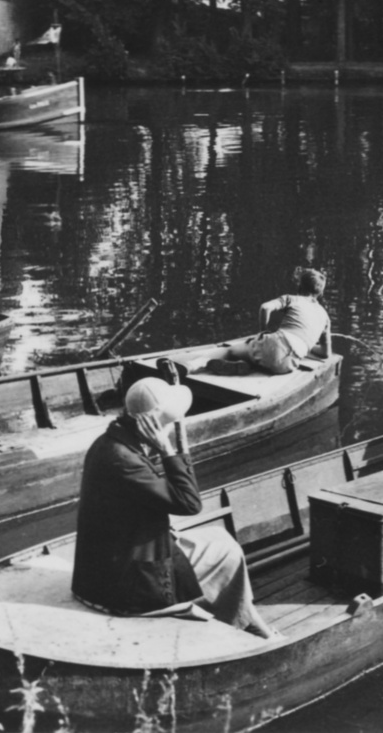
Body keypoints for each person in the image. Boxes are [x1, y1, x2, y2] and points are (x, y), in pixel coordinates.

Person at [71, 376, 276, 638]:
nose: (168, 427)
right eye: (166, 423)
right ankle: (243, 623)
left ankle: (245, 616)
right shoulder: (124, 460)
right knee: (229, 551)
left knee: (218, 537)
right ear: (154, 425)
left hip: (106, 568)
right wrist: (168, 450)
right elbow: (190, 503)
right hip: (126, 586)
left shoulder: (109, 442)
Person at [221, 267, 330, 375]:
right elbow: (325, 353)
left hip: (275, 343)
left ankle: (247, 362)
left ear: (300, 286)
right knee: (271, 360)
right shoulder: (325, 317)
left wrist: (262, 333)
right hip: (289, 362)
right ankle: (256, 362)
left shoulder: (292, 299)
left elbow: (265, 308)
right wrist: (308, 346)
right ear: (320, 293)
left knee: (232, 351)